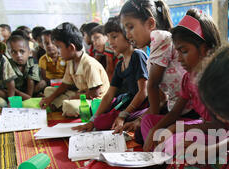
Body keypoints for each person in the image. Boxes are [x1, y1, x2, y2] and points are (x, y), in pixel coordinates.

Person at [140, 8, 221, 152]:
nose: (178, 58)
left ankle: (164, 157)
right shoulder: (188, 79)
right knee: (148, 121)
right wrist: (154, 130)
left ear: (205, 49)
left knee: (179, 140)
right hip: (200, 126)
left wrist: (179, 128)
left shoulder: (218, 80)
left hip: (221, 135)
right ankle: (160, 156)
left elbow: (222, 126)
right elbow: (174, 113)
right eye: (177, 51)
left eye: (184, 51)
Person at [119, 0, 187, 144]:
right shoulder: (154, 47)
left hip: (188, 110)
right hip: (176, 109)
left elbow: (152, 85)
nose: (128, 35)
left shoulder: (161, 37)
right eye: (125, 29)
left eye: (130, 27)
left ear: (150, 23)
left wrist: (151, 123)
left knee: (147, 130)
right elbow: (162, 99)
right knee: (140, 131)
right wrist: (140, 120)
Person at [73, 16, 148, 132]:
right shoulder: (120, 65)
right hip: (127, 101)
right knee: (99, 119)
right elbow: (109, 95)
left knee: (105, 122)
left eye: (114, 37)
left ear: (128, 35)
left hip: (142, 104)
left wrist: (122, 115)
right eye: (108, 38)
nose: (110, 42)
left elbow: (143, 92)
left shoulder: (137, 56)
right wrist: (92, 120)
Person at [39, 22, 110, 117]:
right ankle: (62, 106)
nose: (58, 51)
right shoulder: (71, 61)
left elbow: (95, 93)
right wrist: (50, 99)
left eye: (59, 47)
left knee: (70, 106)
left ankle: (63, 107)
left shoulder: (89, 64)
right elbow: (65, 85)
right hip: (82, 94)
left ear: (71, 47)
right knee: (48, 91)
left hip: (96, 101)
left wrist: (74, 97)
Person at [0, 34, 45, 100]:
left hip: (28, 90)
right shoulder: (7, 64)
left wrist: (27, 96)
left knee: (42, 83)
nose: (18, 55)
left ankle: (28, 98)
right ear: (9, 53)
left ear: (29, 52)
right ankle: (27, 99)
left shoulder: (33, 62)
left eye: (22, 51)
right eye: (14, 52)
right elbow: (9, 86)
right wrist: (21, 94)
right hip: (13, 91)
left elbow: (30, 81)